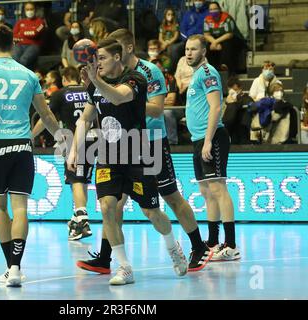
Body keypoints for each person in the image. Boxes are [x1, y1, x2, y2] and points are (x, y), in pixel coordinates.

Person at [76, 29, 211, 277]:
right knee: (110, 206)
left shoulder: (144, 74)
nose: (98, 61)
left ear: (124, 50)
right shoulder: (101, 81)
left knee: (161, 203)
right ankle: (114, 262)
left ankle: (195, 246)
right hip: (112, 150)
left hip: (149, 143)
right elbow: (86, 117)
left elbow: (158, 110)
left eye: (103, 57)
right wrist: (76, 149)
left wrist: (125, 100)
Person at [0, 25, 63, 287]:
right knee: (20, 208)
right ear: (15, 43)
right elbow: (47, 115)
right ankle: (17, 268)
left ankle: (10, 267)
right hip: (21, 144)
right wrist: (62, 137)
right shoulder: (29, 74)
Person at [185, 34, 240, 261]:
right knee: (207, 192)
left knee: (218, 189)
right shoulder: (196, 75)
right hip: (198, 139)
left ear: (204, 52)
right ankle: (213, 241)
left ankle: (231, 245)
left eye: (194, 49)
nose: (189, 53)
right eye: (187, 49)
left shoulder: (208, 73)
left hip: (213, 137)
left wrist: (208, 140)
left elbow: (216, 107)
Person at [32, 66, 95, 241]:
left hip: (74, 140)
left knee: (76, 179)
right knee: (82, 179)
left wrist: (32, 135)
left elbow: (47, 117)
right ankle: (77, 220)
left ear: (65, 78)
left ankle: (82, 220)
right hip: (95, 137)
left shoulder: (60, 94)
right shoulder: (89, 89)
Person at [203, 1, 244, 74]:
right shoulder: (207, 19)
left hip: (232, 38)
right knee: (208, 46)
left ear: (219, 9)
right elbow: (206, 34)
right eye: (211, 9)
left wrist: (215, 42)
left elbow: (229, 34)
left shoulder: (226, 17)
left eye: (215, 9)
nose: (213, 11)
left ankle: (226, 69)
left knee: (226, 44)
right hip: (216, 39)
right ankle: (210, 70)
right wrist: (214, 42)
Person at [13, 2, 47, 69]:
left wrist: (22, 33)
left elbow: (35, 33)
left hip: (34, 45)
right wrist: (29, 33)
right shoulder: (20, 22)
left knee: (24, 60)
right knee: (14, 60)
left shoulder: (41, 22)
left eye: (31, 9)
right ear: (24, 11)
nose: (29, 11)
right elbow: (14, 35)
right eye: (27, 9)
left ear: (35, 10)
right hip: (20, 44)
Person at [223, 77, 253, 144]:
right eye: (230, 90)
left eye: (235, 90)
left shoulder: (247, 99)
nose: (232, 92)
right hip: (232, 133)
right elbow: (227, 120)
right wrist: (230, 104)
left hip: (243, 131)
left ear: (240, 89)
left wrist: (234, 102)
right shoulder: (228, 101)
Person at [159, 8, 181, 72]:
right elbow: (160, 38)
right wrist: (164, 43)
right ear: (165, 15)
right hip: (163, 43)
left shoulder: (176, 25)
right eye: (168, 14)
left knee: (170, 49)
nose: (170, 16)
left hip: (172, 43)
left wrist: (167, 43)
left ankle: (170, 69)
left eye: (172, 14)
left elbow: (175, 37)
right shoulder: (162, 26)